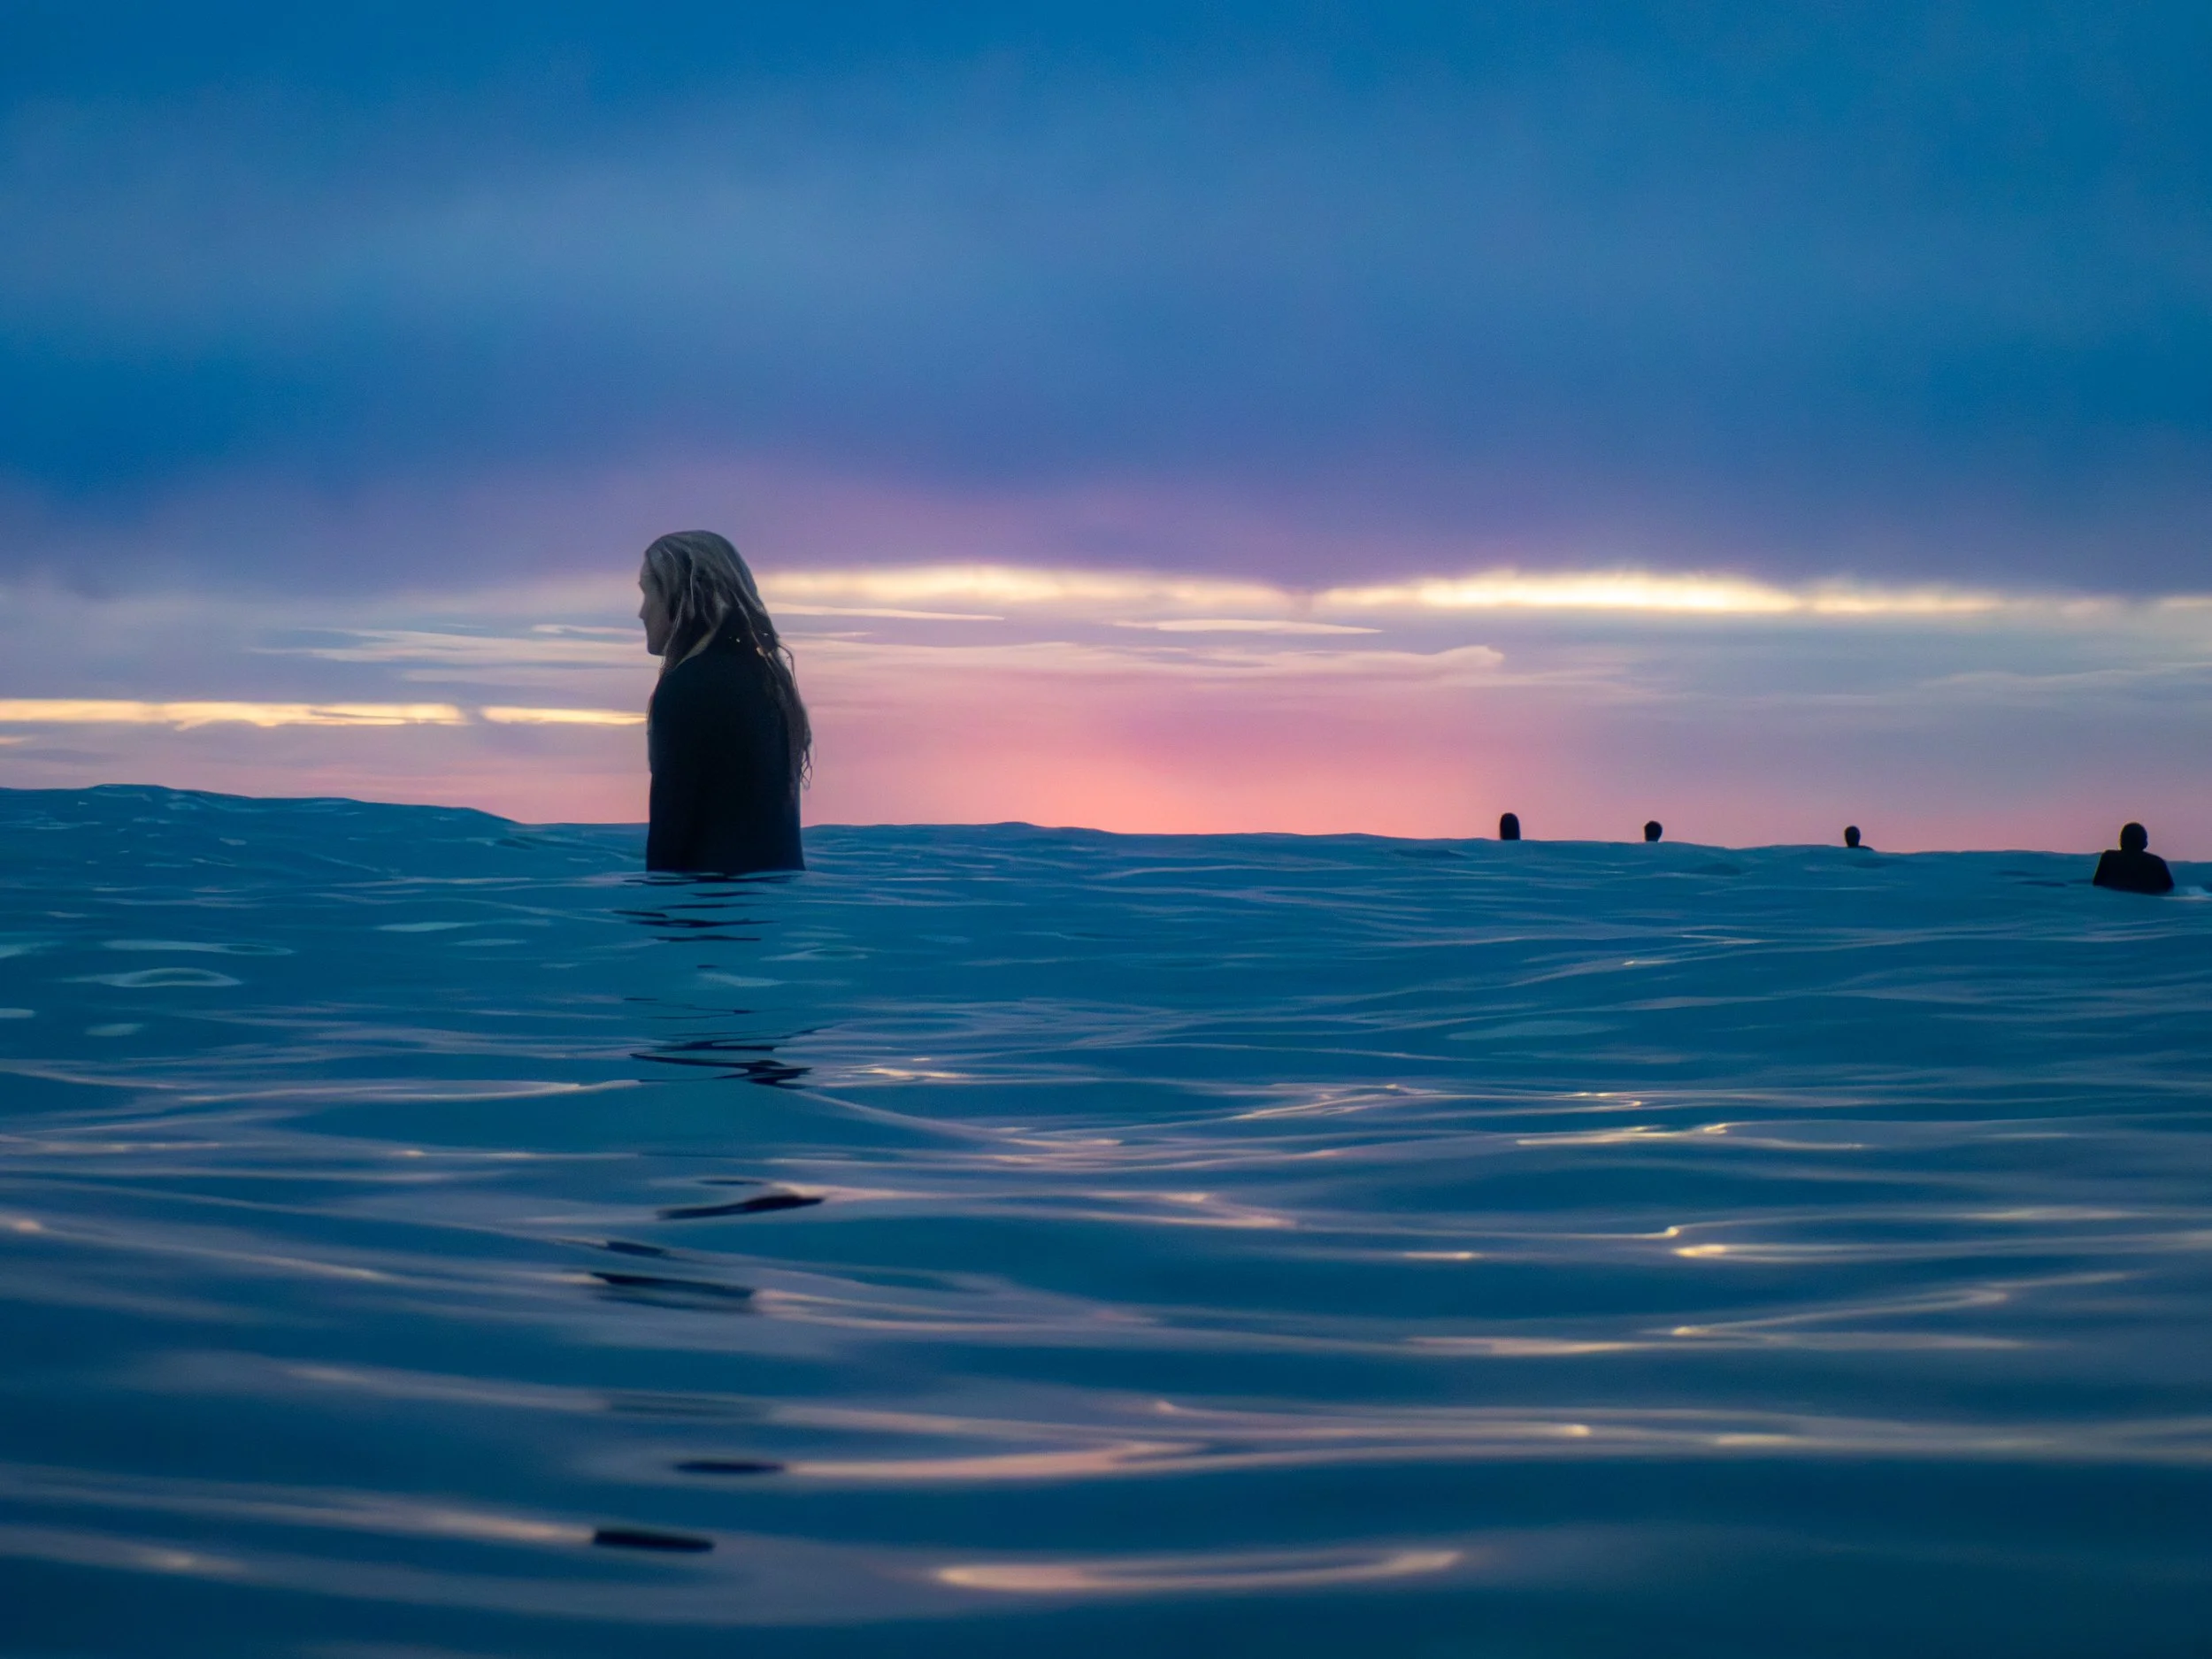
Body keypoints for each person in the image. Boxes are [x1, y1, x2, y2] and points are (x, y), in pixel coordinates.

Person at [636, 531, 810, 875]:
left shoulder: (688, 688)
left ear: (685, 595)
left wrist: (660, 919)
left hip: (705, 911)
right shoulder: (766, 683)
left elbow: (673, 832)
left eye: (648, 592)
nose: (641, 612)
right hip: (768, 913)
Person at [2092, 822, 2173, 895]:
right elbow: (2169, 889)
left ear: (2122, 841)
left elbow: (2097, 885)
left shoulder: (2109, 858)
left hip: (2114, 905)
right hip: (2148, 907)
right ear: (2144, 842)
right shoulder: (2157, 863)